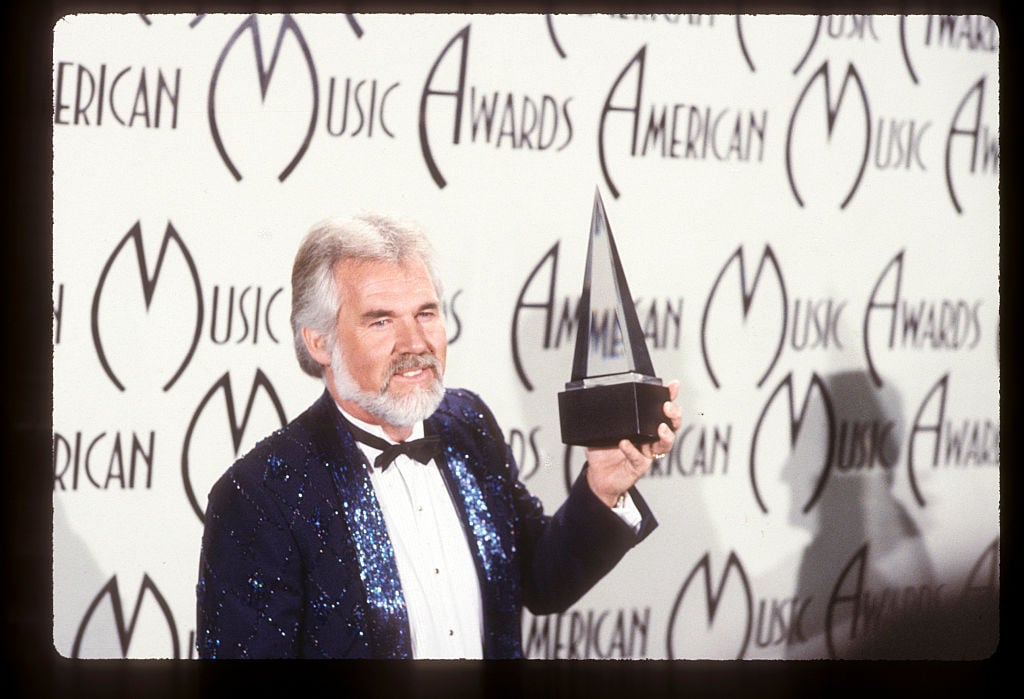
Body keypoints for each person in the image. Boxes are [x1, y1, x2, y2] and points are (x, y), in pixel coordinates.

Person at [195, 212, 682, 659]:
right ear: (319, 341)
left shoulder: (467, 423)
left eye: (425, 313)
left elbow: (538, 579)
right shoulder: (259, 495)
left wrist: (603, 488)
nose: (414, 344)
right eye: (381, 320)